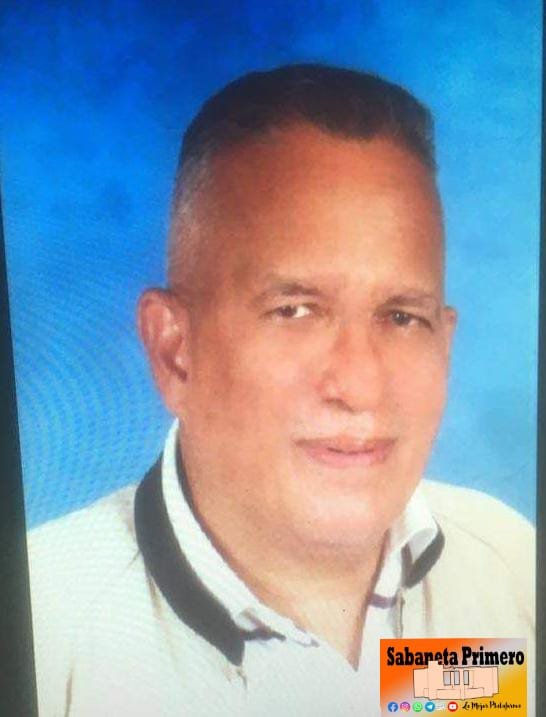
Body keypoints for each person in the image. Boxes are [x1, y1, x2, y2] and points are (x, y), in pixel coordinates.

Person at [28, 64, 534, 716]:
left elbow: (445, 695)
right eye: (295, 310)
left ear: (446, 341)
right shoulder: (43, 626)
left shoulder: (509, 569)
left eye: (402, 316)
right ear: (175, 352)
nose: (360, 385)